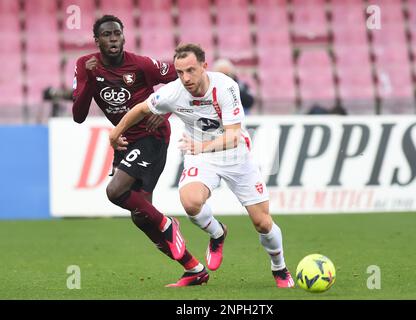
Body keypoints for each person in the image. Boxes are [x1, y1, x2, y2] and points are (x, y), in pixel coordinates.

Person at [109, 43, 295, 288]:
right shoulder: (173, 92)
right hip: (202, 156)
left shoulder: (226, 87)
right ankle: (218, 233)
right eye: (180, 72)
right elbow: (142, 109)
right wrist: (116, 132)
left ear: (204, 67)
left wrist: (202, 148)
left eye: (191, 70)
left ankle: (279, 267)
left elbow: (233, 136)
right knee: (190, 202)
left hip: (234, 155)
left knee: (262, 222)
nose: (185, 78)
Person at [72, 15, 208, 287]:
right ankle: (194, 268)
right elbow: (78, 115)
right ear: (96, 40)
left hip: (151, 137)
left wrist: (166, 110)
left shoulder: (142, 64)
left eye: (117, 33)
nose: (113, 39)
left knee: (115, 191)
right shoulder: (85, 65)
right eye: (107, 35)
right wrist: (87, 79)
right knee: (141, 216)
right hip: (125, 140)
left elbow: (184, 76)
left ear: (124, 36)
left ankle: (168, 225)